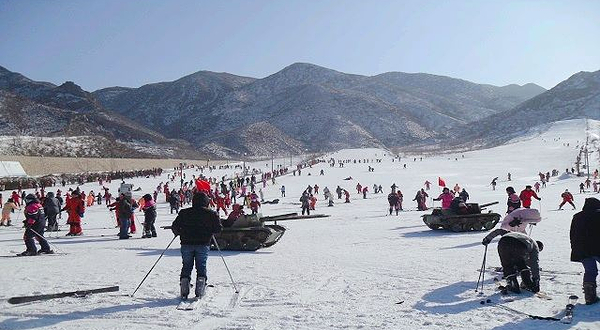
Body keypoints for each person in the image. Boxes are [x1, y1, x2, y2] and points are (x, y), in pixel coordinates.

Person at [171, 192, 222, 300]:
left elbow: (175, 226)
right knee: (201, 266)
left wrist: (179, 232)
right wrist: (210, 231)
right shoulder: (211, 214)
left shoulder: (184, 212)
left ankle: (184, 288)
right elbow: (218, 229)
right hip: (203, 244)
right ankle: (200, 289)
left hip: (186, 243)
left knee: (186, 265)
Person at [482, 228, 543, 294]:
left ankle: (513, 285)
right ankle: (528, 283)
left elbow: (499, 231)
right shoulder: (535, 247)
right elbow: (534, 264)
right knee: (521, 263)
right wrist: (536, 281)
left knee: (507, 265)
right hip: (520, 245)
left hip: (504, 242)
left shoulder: (518, 234)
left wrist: (488, 239)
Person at [570, 197, 600, 305]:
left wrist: (574, 248)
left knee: (590, 271)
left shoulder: (577, 216)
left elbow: (572, 234)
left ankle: (589, 297)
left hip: (581, 249)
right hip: (597, 248)